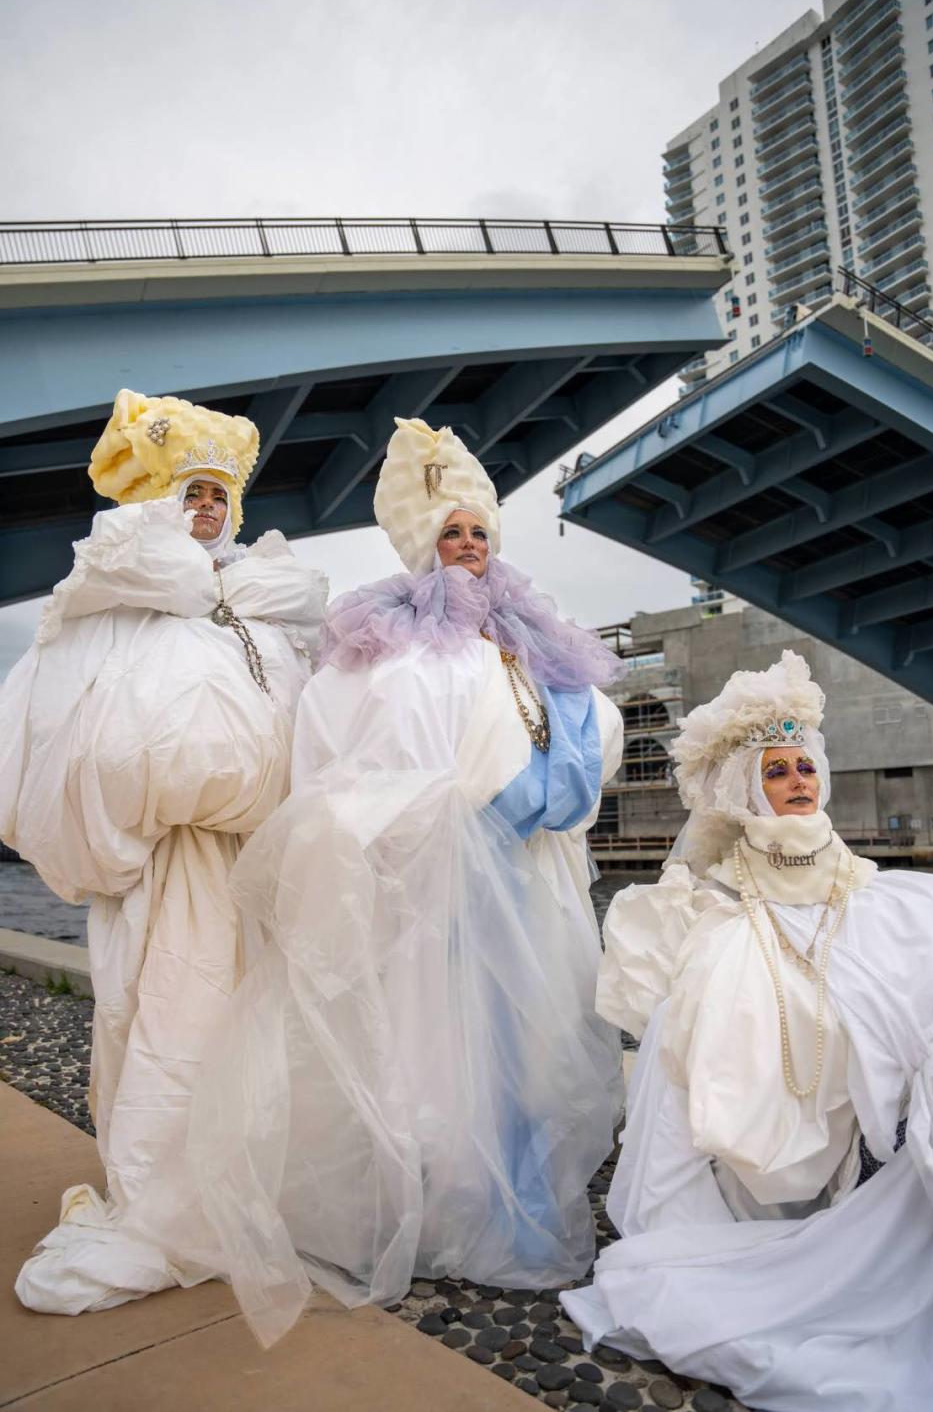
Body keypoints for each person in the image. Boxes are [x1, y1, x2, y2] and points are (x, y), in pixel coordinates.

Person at [170, 416, 626, 1347]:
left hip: (526, 877)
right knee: (431, 1035)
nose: (466, 546)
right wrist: (427, 814)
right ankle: (436, 1198)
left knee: (524, 1037)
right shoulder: (389, 641)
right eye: (450, 532)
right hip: (424, 880)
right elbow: (342, 743)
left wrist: (536, 788)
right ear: (424, 542)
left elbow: (583, 732)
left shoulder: (538, 643)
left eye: (479, 533)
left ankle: (512, 1197)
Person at [561, 651, 933, 1412]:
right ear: (749, 785)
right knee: (706, 1013)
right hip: (747, 1045)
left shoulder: (880, 897)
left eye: (804, 766)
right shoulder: (711, 908)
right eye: (776, 772)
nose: (797, 781)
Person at [1, 389, 328, 1316]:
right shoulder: (115, 603)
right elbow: (71, 739)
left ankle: (239, 1194)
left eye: (220, 497)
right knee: (166, 1028)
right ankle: (165, 1206)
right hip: (169, 866)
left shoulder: (258, 606)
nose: (209, 512)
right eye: (192, 494)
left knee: (253, 1038)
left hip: (254, 863)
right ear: (156, 502)